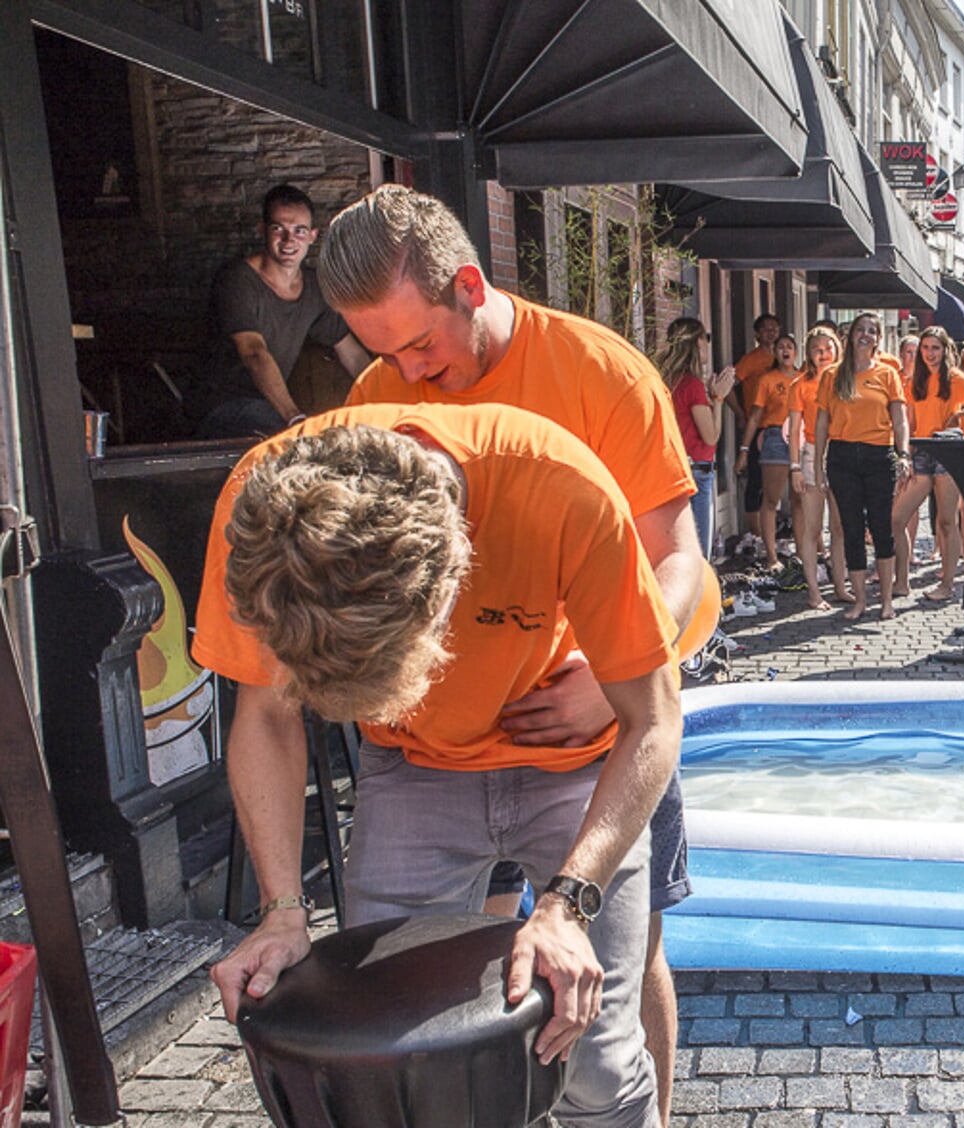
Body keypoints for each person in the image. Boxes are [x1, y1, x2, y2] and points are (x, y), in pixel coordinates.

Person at [326, 184, 703, 1121]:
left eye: (421, 344)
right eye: (383, 353)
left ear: (467, 283)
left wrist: (614, 695)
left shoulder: (599, 372)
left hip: (590, 742)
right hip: (433, 754)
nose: (408, 372)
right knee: (467, 980)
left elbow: (680, 564)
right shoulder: (377, 398)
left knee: (623, 965)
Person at [202, 405, 684, 1128]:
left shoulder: (562, 488)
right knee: (392, 1054)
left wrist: (566, 905)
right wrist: (281, 911)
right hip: (412, 768)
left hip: (572, 764)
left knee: (594, 1059)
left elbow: (652, 720)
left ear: (450, 590)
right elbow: (266, 714)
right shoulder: (260, 511)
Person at [192, 184, 371, 439]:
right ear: (262, 230)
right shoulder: (237, 280)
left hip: (269, 407)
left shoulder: (314, 286)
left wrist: (385, 401)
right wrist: (294, 418)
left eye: (299, 231)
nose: (289, 240)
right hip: (220, 407)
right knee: (297, 442)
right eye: (279, 229)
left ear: (312, 236)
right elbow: (254, 352)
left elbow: (351, 354)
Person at [813, 312, 912, 621]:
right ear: (851, 336)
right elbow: (821, 422)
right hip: (842, 456)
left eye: (871, 331)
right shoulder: (832, 375)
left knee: (882, 528)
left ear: (878, 339)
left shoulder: (888, 374)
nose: (865, 335)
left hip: (878, 455)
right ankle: (859, 601)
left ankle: (885, 600)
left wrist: (903, 453)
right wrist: (817, 463)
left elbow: (900, 419)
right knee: (851, 529)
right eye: (860, 330)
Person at [892, 327, 964, 601]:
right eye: (925, 348)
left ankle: (947, 585)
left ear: (945, 350)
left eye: (935, 348)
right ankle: (901, 582)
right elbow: (909, 423)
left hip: (948, 450)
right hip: (922, 450)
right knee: (897, 518)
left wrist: (961, 413)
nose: (929, 353)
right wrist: (906, 456)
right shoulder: (914, 382)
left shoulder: (955, 378)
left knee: (947, 521)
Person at [661, 319, 736, 557]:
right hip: (697, 470)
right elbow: (711, 436)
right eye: (706, 338)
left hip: (675, 468)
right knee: (700, 553)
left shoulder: (667, 380)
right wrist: (719, 399)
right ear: (697, 342)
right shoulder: (691, 385)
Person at [790, 328, 849, 610]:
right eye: (817, 348)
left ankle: (840, 585)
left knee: (839, 526)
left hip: (840, 452)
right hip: (812, 452)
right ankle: (814, 591)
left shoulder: (845, 382)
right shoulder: (800, 385)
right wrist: (794, 468)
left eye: (828, 347)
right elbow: (795, 427)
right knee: (812, 527)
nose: (824, 353)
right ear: (809, 353)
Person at [738, 333, 799, 574]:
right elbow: (755, 416)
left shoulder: (804, 378)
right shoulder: (767, 380)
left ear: (796, 351)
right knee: (771, 499)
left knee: (800, 499)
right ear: (775, 352)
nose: (785, 350)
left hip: (802, 438)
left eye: (790, 346)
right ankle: (771, 554)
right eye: (781, 347)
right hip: (774, 437)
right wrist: (744, 449)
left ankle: (814, 550)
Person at [730, 314, 782, 558]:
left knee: (773, 487)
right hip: (757, 426)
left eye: (774, 329)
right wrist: (740, 412)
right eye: (766, 329)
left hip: (780, 430)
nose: (771, 333)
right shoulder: (751, 360)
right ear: (757, 333)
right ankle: (756, 533)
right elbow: (729, 384)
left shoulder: (781, 358)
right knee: (756, 482)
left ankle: (769, 533)